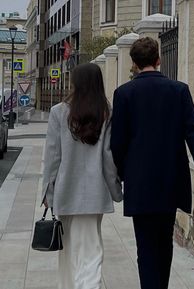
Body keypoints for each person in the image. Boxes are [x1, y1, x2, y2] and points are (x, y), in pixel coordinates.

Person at [110, 37, 194, 289]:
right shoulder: (179, 91)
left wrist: (124, 174)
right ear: (158, 60)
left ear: (134, 63)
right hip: (171, 181)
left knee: (145, 246)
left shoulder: (123, 94)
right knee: (165, 242)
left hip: (139, 185)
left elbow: (117, 143)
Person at [42, 63, 123, 289]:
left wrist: (48, 193)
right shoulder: (105, 113)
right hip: (94, 193)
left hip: (65, 191)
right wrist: (116, 191)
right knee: (91, 250)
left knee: (67, 249)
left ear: (75, 83)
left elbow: (52, 158)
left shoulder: (58, 111)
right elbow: (108, 158)